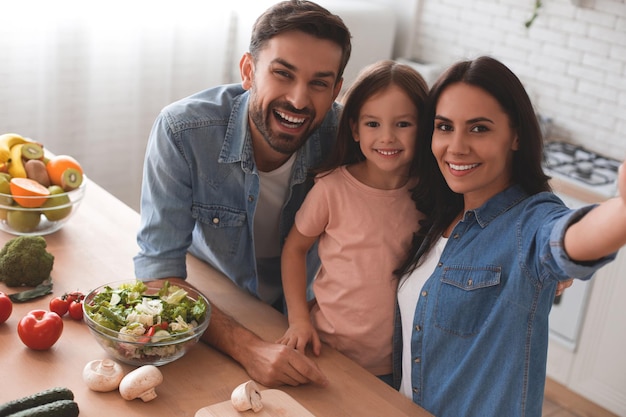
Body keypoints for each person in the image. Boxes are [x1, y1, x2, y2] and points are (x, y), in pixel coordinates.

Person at [133, 0, 352, 387]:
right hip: (224, 296)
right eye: (283, 74)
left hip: (313, 321)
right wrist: (249, 348)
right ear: (249, 71)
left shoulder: (347, 137)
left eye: (319, 83)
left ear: (335, 89)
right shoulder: (183, 131)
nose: (299, 100)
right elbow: (158, 274)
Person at [393, 56, 626, 417]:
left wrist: (623, 211)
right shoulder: (437, 211)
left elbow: (567, 238)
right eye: (444, 127)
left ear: (515, 135)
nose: (456, 146)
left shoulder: (529, 223)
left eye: (479, 128)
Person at [277, 60, 428, 385]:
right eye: (373, 124)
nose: (387, 137)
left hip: (396, 363)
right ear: (355, 128)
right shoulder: (332, 188)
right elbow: (294, 249)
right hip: (324, 348)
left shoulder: (430, 197)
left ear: (424, 127)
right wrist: (299, 319)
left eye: (403, 124)